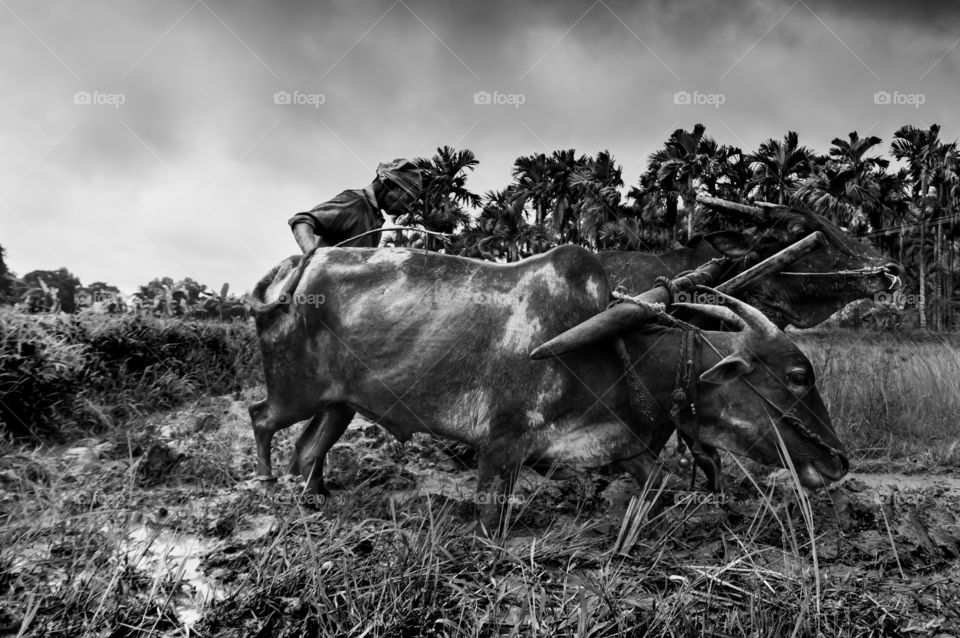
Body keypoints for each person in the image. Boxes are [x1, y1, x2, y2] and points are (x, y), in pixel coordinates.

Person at [288, 158, 423, 253]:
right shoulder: (356, 202)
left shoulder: (375, 218)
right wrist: (313, 260)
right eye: (407, 199)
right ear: (390, 184)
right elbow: (302, 222)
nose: (407, 208)